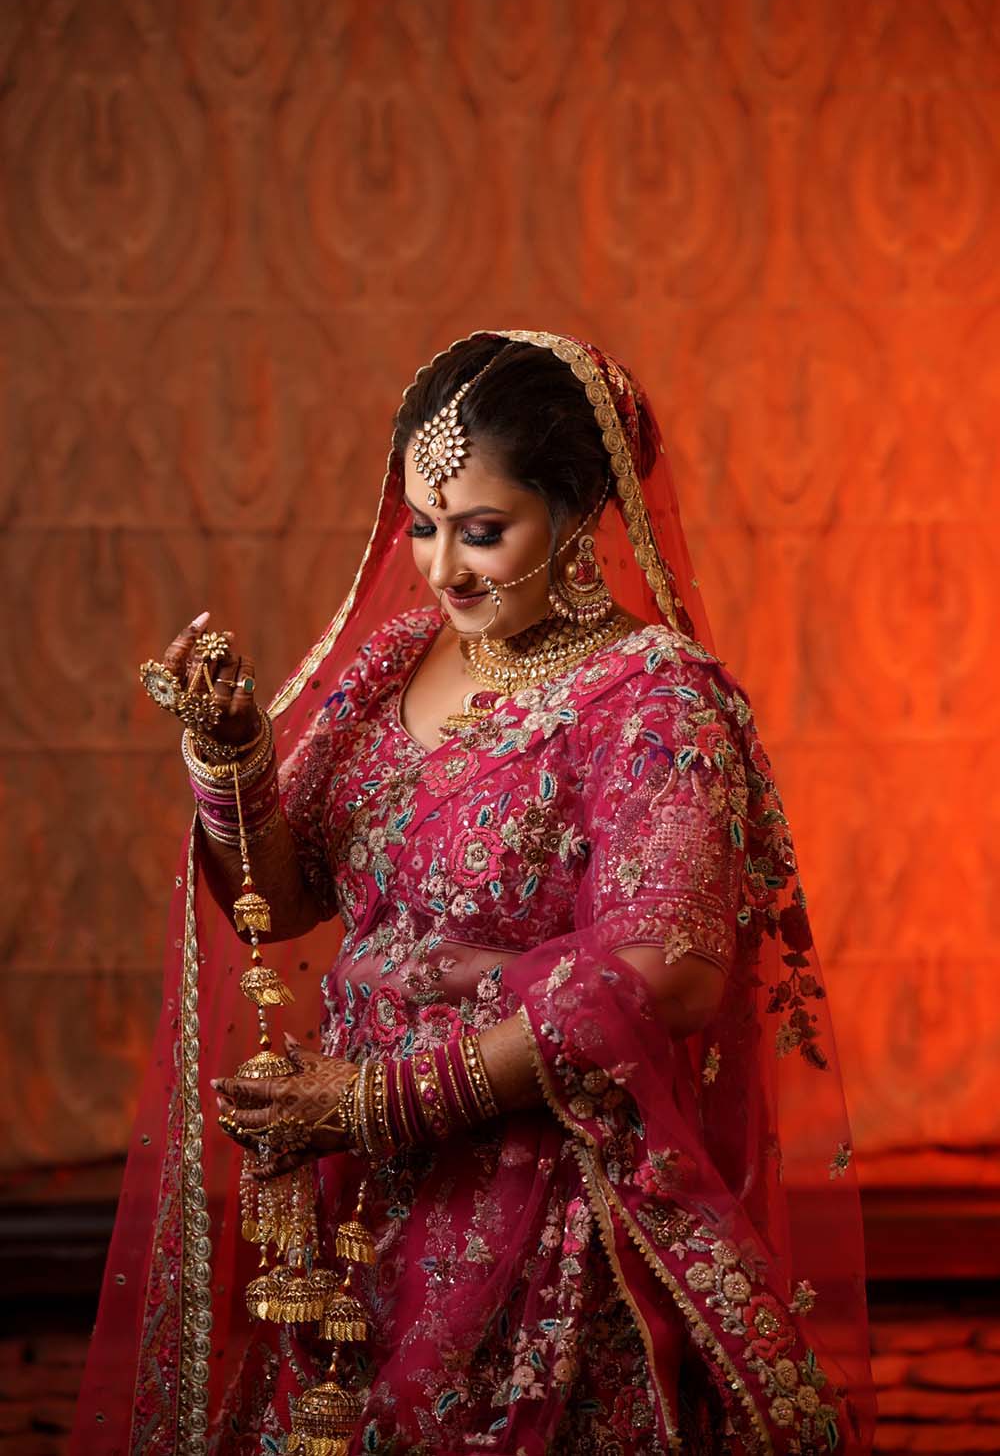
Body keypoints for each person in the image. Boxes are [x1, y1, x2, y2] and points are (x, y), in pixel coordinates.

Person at [72, 330, 875, 1455]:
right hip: (362, 1194)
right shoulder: (398, 658)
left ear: (577, 512)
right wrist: (231, 758)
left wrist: (379, 1099)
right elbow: (288, 895)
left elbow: (671, 975)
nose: (442, 567)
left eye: (482, 531)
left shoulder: (653, 698)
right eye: (422, 525)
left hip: (546, 1205)